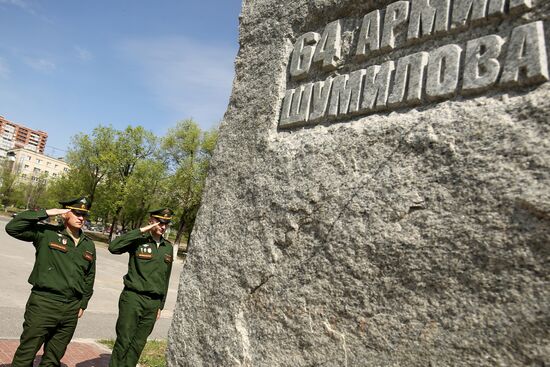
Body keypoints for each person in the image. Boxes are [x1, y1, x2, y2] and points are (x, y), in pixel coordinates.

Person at [6, 197, 96, 366]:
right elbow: (13, 228)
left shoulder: (88, 245)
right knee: (26, 355)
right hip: (44, 303)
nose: (81, 217)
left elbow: (89, 276)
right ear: (64, 214)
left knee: (53, 359)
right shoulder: (47, 234)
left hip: (71, 308)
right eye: (76, 213)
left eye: (84, 214)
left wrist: (83, 303)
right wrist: (46, 213)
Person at [108, 208, 174, 367]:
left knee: (138, 344)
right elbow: (114, 247)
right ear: (151, 220)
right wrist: (142, 230)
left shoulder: (168, 247)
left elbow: (166, 278)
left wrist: (160, 305)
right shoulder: (139, 240)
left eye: (166, 223)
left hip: (153, 304)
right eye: (160, 222)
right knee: (124, 341)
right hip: (133, 298)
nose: (163, 226)